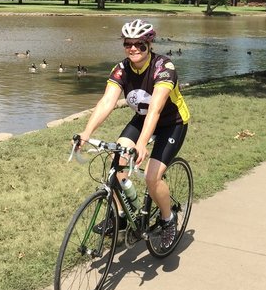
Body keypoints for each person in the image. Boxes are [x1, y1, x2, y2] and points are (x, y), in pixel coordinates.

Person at [75, 19, 190, 249]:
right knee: (115, 160)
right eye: (128, 43)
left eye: (139, 44)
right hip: (141, 118)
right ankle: (122, 214)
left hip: (171, 123)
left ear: (149, 44)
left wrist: (142, 143)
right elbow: (107, 101)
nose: (133, 48)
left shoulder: (163, 68)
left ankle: (168, 220)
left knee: (151, 177)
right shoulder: (121, 69)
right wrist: (86, 132)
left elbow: (156, 109)